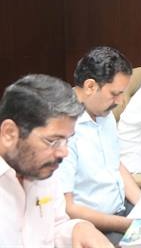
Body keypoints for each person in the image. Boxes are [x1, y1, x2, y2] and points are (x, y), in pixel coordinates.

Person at [0, 74, 111, 247]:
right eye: (52, 141)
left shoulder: (41, 167)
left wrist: (78, 228)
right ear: (9, 133)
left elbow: (55, 226)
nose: (64, 152)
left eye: (67, 140)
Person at [55, 47, 141, 245]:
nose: (119, 101)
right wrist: (128, 224)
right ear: (90, 86)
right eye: (114, 94)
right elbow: (67, 207)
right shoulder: (63, 130)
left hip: (122, 210)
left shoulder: (104, 113)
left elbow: (116, 164)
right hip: (95, 226)